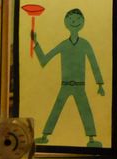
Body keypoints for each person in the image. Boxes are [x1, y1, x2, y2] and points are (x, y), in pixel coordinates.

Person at [32, 9, 105, 147]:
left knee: (85, 110)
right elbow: (44, 60)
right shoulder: (63, 45)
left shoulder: (85, 44)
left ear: (83, 22)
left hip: (80, 85)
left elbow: (93, 63)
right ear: (66, 23)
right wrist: (36, 44)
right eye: (71, 20)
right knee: (56, 108)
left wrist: (100, 84)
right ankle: (45, 136)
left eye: (78, 19)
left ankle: (91, 139)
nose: (74, 22)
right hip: (65, 84)